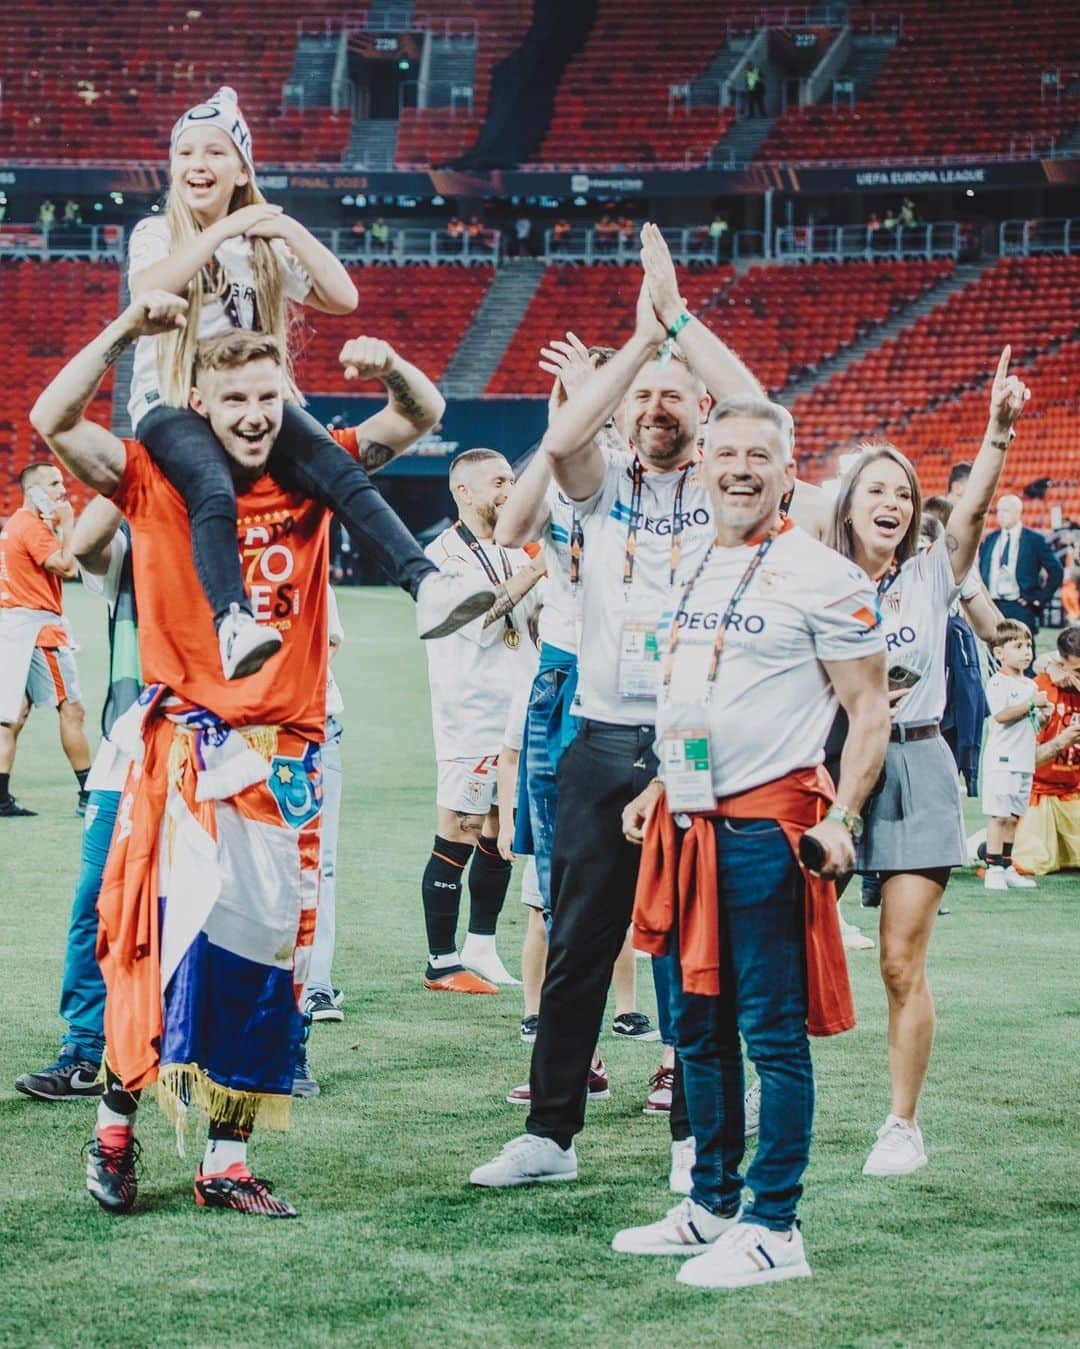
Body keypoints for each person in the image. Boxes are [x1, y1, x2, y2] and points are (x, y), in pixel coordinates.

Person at [30, 288, 446, 1218]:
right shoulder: (149, 473)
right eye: (235, 401)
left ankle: (226, 1160)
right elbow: (52, 418)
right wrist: (122, 330)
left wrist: (385, 367)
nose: (254, 415)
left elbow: (422, 415)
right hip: (185, 748)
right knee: (153, 950)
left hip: (284, 761)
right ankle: (113, 1137)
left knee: (265, 966)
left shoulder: (317, 466)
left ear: (284, 397)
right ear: (202, 407)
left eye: (268, 396)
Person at [469, 223, 832, 1190]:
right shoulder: (598, 489)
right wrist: (638, 345)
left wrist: (676, 322)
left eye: (675, 394)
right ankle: (551, 1132)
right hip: (600, 735)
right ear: (622, 412)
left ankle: (691, 1137)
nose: (658, 408)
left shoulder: (729, 486)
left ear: (703, 411)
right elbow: (558, 439)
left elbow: (758, 409)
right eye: (643, 399)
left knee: (693, 949)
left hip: (699, 747)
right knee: (583, 937)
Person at [611, 394, 888, 1289]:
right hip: (685, 825)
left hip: (769, 831)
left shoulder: (823, 573)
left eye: (756, 455)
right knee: (693, 1026)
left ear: (787, 470)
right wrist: (661, 781)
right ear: (700, 465)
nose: (737, 467)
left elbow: (868, 707)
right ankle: (711, 1203)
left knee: (769, 1034)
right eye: (722, 452)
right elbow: (698, 695)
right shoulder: (695, 563)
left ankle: (776, 1225)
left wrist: (842, 817)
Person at [127, 86, 492, 680]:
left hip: (252, 402)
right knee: (211, 486)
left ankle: (427, 585)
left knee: (339, 470)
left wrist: (281, 227)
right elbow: (149, 292)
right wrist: (222, 231)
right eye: (186, 152)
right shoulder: (158, 233)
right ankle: (233, 622)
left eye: (216, 153)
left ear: (242, 168)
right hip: (174, 403)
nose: (198, 165)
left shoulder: (261, 244)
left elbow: (343, 297)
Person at [830, 346, 1031, 1178]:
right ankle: (755, 1094)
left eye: (903, 491)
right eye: (875, 487)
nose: (892, 500)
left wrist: (995, 433)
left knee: (897, 958)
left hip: (915, 767)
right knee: (778, 943)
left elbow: (976, 509)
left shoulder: (930, 571)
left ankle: (902, 1124)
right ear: (846, 503)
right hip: (825, 769)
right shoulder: (815, 575)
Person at [14, 497, 138, 1099]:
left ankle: (251, 1051)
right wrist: (136, 471)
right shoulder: (135, 542)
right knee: (94, 902)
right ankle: (86, 1050)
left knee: (226, 911)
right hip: (128, 754)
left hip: (221, 758)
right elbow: (85, 547)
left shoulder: (256, 537)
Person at [419, 449, 547, 994]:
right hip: (468, 714)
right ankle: (441, 962)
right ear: (463, 492)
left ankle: (481, 947)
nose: (508, 489)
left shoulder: (516, 549)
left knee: (501, 826)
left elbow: (531, 619)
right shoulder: (443, 556)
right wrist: (541, 567)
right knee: (461, 829)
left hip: (517, 709)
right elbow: (483, 615)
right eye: (498, 481)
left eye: (512, 480)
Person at [0, 462, 92, 817]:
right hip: (40, 632)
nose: (62, 489)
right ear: (33, 491)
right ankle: (88, 794)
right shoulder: (34, 527)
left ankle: (2, 797)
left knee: (13, 714)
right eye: (53, 484)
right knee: (72, 709)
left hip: (14, 627)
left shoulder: (14, 526)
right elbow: (67, 567)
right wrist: (68, 525)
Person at [981, 619, 1047, 892]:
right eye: (1018, 646)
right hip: (1003, 760)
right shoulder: (999, 683)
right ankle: (993, 867)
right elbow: (1001, 715)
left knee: (1014, 815)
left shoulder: (1030, 685)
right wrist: (1032, 704)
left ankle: (1007, 864)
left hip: (1024, 760)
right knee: (999, 815)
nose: (1026, 651)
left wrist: (1042, 717)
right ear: (999, 653)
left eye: (1028, 645)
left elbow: (1030, 722)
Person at [1013, 625, 1080, 875]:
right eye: (1078, 671)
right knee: (1032, 862)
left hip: (1074, 791)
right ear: (1061, 665)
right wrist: (1062, 742)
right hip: (1039, 792)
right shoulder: (1039, 691)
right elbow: (1026, 759)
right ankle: (989, 843)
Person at [978, 493, 1063, 638]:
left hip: (1020, 606)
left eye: (1006, 511)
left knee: (1022, 651)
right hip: (992, 605)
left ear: (1018, 512)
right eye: (999, 511)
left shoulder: (1034, 539)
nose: (1001, 515)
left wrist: (1039, 598)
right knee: (992, 652)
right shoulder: (990, 539)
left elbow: (1056, 571)